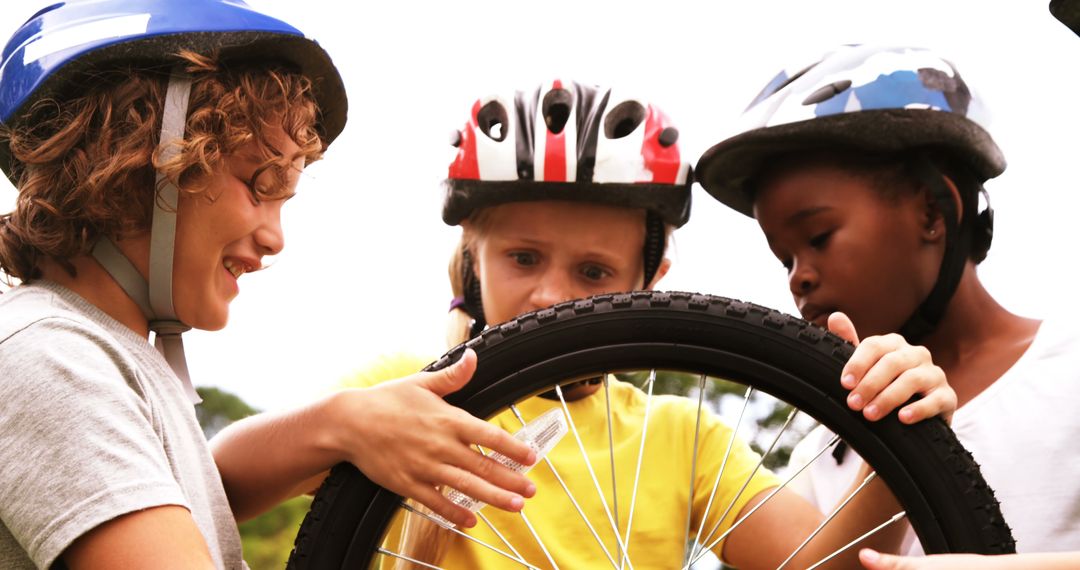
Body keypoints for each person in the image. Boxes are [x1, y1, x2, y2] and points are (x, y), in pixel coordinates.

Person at [0, 1, 538, 568]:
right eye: (260, 185)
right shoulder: (51, 359)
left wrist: (344, 424)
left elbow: (209, 490)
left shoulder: (106, 356)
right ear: (135, 162)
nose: (275, 238)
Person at [383, 78, 957, 569]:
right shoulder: (397, 394)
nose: (552, 294)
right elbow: (287, 468)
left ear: (648, 279)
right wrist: (335, 425)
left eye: (593, 270)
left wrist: (899, 435)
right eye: (523, 258)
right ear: (473, 259)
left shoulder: (682, 435)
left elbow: (820, 562)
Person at [695, 44, 1080, 563]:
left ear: (931, 213)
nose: (799, 277)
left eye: (819, 236)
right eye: (784, 259)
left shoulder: (1067, 376)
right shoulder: (822, 452)